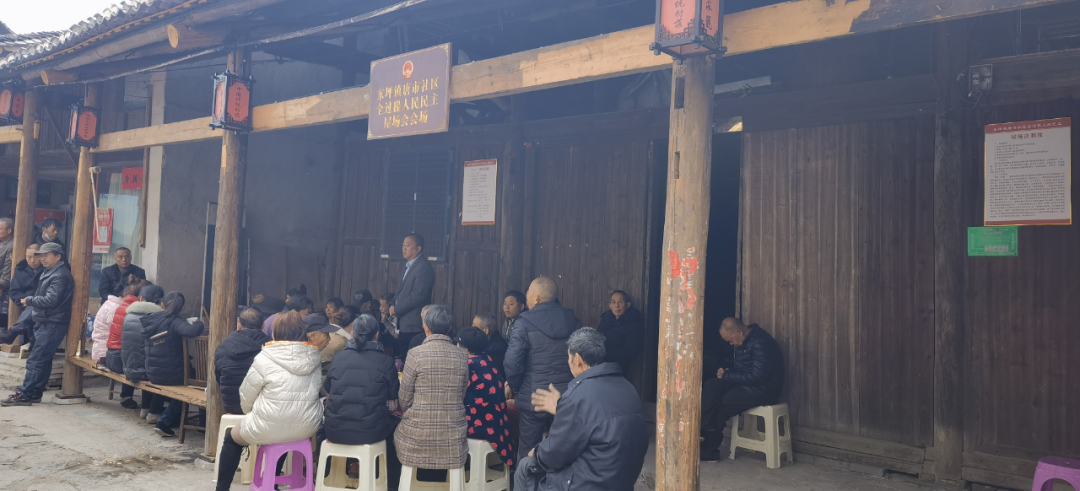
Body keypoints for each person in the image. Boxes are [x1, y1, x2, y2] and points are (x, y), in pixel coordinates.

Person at [515, 327, 649, 491]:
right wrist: (561, 407)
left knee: (525, 466)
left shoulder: (576, 396)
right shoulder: (628, 387)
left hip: (589, 483)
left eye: (568, 357)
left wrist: (536, 454)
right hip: (620, 481)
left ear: (577, 359)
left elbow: (554, 455)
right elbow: (596, 418)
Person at [214, 311, 324, 491]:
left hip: (269, 425)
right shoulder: (314, 357)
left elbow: (246, 396)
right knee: (285, 436)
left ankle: (222, 489)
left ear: (275, 332)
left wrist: (252, 412)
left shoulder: (265, 357)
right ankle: (272, 482)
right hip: (306, 427)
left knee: (232, 439)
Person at [504, 276, 580, 461]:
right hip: (565, 397)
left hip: (533, 397)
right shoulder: (573, 320)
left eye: (528, 293)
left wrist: (516, 387)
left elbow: (513, 362)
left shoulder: (524, 322)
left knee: (528, 451)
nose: (527, 296)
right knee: (561, 448)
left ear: (537, 297)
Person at [323, 313, 401, 484]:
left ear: (353, 333)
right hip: (371, 432)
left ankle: (340, 473)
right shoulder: (386, 361)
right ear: (377, 334)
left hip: (334, 430)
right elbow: (392, 404)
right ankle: (387, 482)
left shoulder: (338, 358)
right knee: (394, 427)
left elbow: (329, 389)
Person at [395, 305, 469, 472]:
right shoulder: (462, 356)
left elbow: (404, 400)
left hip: (416, 437)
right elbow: (461, 394)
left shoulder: (415, 354)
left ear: (425, 327)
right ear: (449, 328)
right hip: (453, 439)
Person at [699, 317, 785, 461]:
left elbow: (757, 377)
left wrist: (728, 376)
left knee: (722, 403)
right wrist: (727, 372)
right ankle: (703, 429)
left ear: (739, 331)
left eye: (731, 340)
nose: (731, 344)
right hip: (747, 384)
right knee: (711, 385)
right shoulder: (743, 341)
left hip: (762, 390)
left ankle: (710, 450)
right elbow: (744, 369)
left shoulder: (762, 343)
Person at [1, 242, 73, 406]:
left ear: (58, 256)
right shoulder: (50, 271)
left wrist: (30, 300)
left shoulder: (60, 275)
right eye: (41, 256)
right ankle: (34, 392)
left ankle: (25, 394)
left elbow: (51, 300)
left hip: (53, 322)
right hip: (45, 320)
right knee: (43, 360)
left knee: (35, 360)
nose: (42, 259)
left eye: (46, 256)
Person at [142, 291, 207, 437]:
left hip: (151, 372)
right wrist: (199, 322)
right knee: (199, 382)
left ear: (162, 304)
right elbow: (192, 331)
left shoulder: (151, 319)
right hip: (170, 375)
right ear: (183, 308)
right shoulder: (175, 321)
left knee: (189, 377)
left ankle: (157, 413)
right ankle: (199, 424)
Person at [457, 327, 514, 466]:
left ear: (465, 349)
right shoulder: (488, 360)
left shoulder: (467, 365)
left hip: (477, 425)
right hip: (498, 426)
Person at [213, 307, 270, 416]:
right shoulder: (271, 346)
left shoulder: (223, 346)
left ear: (239, 325)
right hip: (261, 406)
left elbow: (218, 377)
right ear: (263, 325)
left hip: (232, 406)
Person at [122, 284, 165, 422]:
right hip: (144, 371)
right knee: (164, 370)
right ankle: (154, 412)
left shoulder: (128, 315)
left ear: (141, 298)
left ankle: (145, 408)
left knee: (148, 362)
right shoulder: (157, 317)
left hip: (128, 368)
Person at [104, 279, 148, 410]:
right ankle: (149, 406)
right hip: (119, 358)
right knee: (147, 360)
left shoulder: (124, 305)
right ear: (142, 297)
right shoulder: (136, 310)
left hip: (112, 355)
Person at [390, 233, 435, 359]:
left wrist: (397, 309)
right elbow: (400, 291)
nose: (404, 248)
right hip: (404, 322)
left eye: (408, 245)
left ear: (418, 249)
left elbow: (418, 295)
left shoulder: (423, 267)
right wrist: (392, 304)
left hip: (413, 324)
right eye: (403, 245)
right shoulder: (409, 265)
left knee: (410, 359)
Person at [0, 244, 44, 346]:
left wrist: (31, 302)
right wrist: (23, 302)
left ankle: (13, 332)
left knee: (34, 306)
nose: (32, 260)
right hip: (25, 305)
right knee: (31, 309)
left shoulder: (47, 269)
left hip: (43, 304)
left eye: (36, 257)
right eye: (29, 257)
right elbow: (14, 291)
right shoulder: (20, 268)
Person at [595, 290, 644, 374]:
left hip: (618, 367)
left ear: (627, 305)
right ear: (610, 306)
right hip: (599, 363)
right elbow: (596, 338)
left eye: (620, 302)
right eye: (613, 302)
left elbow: (630, 351)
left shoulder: (633, 323)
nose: (617, 306)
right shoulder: (606, 319)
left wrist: (605, 357)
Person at [0, 218, 13, 327]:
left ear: (9, 230)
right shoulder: (2, 243)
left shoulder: (11, 246)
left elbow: (7, 271)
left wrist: (2, 285)